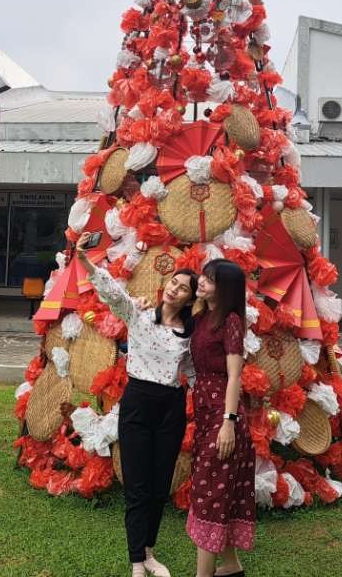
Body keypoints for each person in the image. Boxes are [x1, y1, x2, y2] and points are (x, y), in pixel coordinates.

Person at [78, 241, 198, 577]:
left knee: (160, 485)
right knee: (137, 486)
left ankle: (148, 553)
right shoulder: (140, 315)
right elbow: (113, 294)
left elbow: (193, 373)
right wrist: (85, 260)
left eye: (183, 288)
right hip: (137, 404)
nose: (175, 288)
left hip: (170, 408)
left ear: (190, 298)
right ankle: (135, 562)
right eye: (174, 282)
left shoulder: (187, 335)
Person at [187, 258, 255, 577]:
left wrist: (229, 422)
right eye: (203, 275)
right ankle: (230, 566)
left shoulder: (230, 321)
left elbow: (234, 376)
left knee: (208, 492)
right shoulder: (202, 316)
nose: (201, 282)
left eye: (210, 279)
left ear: (225, 288)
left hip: (222, 413)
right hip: (204, 410)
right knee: (216, 489)